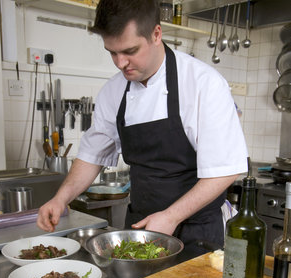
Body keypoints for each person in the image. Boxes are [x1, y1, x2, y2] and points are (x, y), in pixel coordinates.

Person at [37, 0, 248, 256]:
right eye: (112, 52)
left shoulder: (203, 84)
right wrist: (61, 198)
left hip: (197, 233)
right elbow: (92, 156)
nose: (120, 63)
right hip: (139, 228)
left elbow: (223, 171)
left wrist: (171, 216)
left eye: (130, 50)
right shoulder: (114, 92)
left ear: (156, 34)